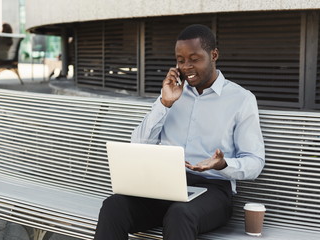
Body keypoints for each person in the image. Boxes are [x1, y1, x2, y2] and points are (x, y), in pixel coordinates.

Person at [94, 24, 265, 240]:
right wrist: (165, 104)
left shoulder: (241, 99)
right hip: (164, 185)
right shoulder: (172, 92)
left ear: (214, 55)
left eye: (194, 59)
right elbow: (138, 143)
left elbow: (255, 161)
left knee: (180, 214)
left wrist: (223, 164)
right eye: (181, 60)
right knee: (114, 206)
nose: (187, 67)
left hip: (212, 190)